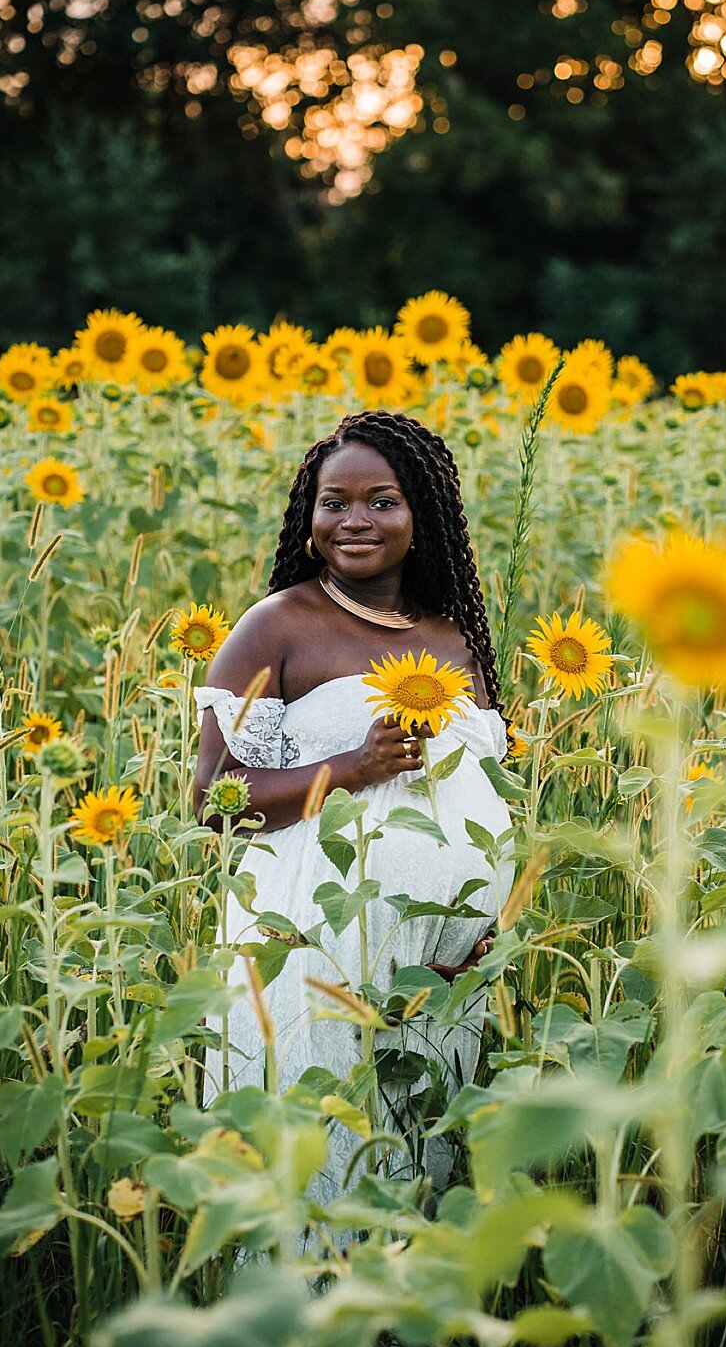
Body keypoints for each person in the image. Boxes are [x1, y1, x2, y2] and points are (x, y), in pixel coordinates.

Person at [192, 408, 516, 1201]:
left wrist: (489, 924)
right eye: (334, 502)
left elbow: (484, 796)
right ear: (310, 518)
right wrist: (349, 768)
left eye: (382, 500)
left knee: (414, 1172)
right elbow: (211, 798)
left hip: (439, 973)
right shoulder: (279, 627)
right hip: (314, 952)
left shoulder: (455, 639)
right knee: (318, 1159)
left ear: (423, 515)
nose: (355, 521)